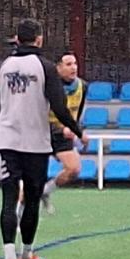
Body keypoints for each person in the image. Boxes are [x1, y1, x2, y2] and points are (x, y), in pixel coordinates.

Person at [0, 18, 85, 259]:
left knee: (9, 200)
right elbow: (59, 107)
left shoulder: (3, 67)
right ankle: (26, 255)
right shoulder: (44, 67)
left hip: (8, 142)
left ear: (17, 39)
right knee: (31, 201)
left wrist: (6, 127)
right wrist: (79, 132)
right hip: (35, 144)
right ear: (39, 39)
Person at [39, 52, 88, 214]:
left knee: (74, 169)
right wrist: (60, 128)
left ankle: (46, 191)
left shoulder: (82, 86)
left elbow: (77, 113)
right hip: (43, 133)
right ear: (58, 68)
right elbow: (37, 114)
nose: (73, 67)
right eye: (68, 64)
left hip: (64, 135)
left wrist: (78, 131)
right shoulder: (47, 86)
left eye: (75, 63)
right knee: (33, 178)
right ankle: (18, 217)